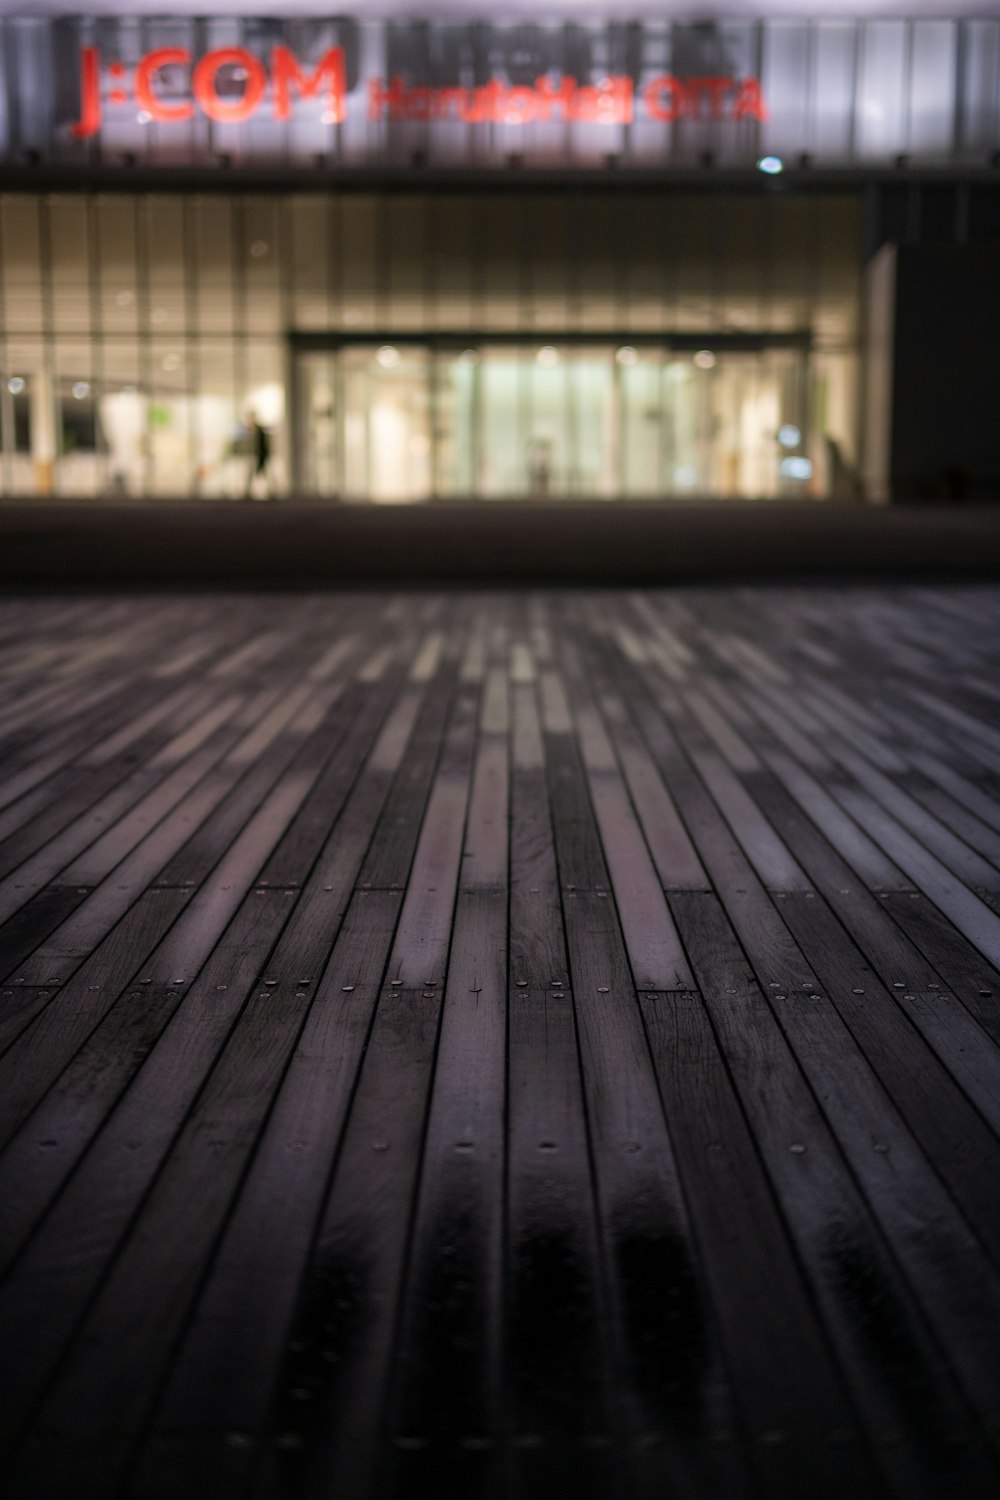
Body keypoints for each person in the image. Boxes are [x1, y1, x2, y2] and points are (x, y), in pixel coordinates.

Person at [244, 411, 274, 500]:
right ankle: (248, 492)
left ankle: (270, 491)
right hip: (254, 456)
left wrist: (264, 455)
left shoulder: (259, 430)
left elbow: (263, 444)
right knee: (254, 474)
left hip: (259, 456)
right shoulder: (250, 430)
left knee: (262, 473)